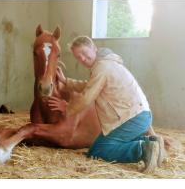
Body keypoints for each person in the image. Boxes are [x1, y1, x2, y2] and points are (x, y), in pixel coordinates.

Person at [48, 36, 166, 173]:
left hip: (131, 118)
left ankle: (142, 149)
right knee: (95, 149)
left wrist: (67, 108)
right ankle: (153, 142)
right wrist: (66, 81)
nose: (83, 59)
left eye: (85, 53)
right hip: (138, 114)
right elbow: (89, 86)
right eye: (78, 57)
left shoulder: (102, 67)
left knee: (100, 151)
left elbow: (86, 98)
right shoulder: (106, 63)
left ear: (94, 49)